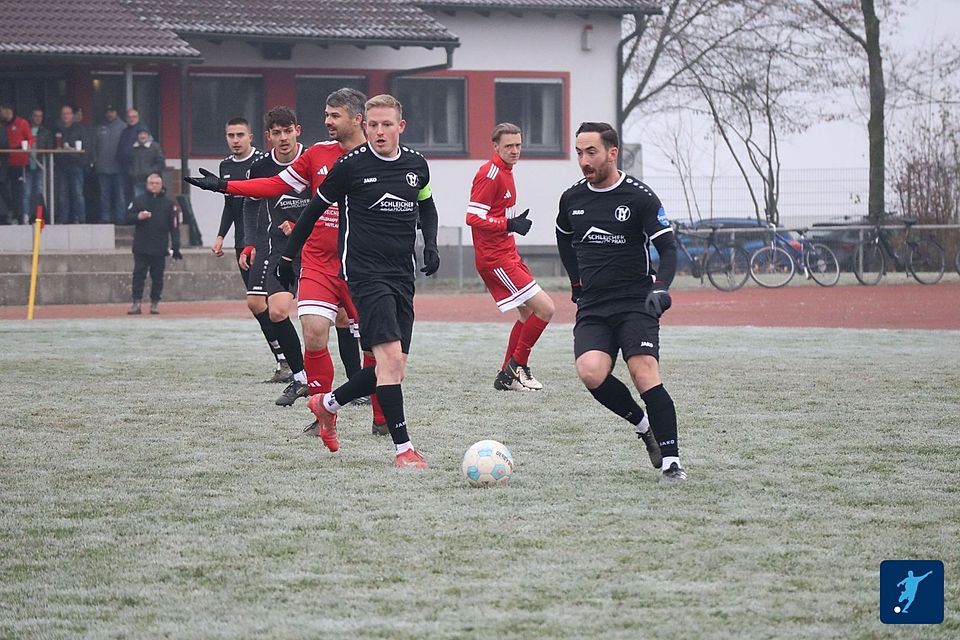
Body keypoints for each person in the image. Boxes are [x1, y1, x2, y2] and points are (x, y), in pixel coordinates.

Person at [186, 88, 386, 437]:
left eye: (334, 115)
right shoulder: (317, 155)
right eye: (326, 114)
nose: (327, 121)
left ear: (357, 119)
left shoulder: (380, 157)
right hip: (318, 262)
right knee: (313, 331)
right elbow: (276, 184)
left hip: (362, 265)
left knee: (372, 344)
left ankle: (381, 417)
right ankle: (324, 416)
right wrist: (225, 186)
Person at [281, 94, 439, 468]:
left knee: (392, 367)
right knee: (389, 360)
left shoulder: (416, 165)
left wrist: (431, 244)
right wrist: (288, 256)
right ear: (364, 126)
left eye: (387, 124)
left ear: (401, 126)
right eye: (373, 125)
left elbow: (427, 205)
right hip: (365, 275)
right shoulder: (350, 166)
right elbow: (313, 210)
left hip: (402, 275)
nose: (380, 131)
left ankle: (327, 404)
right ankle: (404, 450)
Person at [555, 122, 686, 482]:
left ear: (612, 153)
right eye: (579, 152)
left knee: (643, 372)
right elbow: (563, 237)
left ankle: (672, 462)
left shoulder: (640, 197)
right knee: (591, 372)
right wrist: (576, 281)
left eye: (591, 152)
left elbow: (668, 248)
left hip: (634, 303)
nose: (584, 160)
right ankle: (645, 427)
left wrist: (661, 287)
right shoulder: (571, 199)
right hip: (594, 305)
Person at [466, 122, 555, 392]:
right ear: (496, 147)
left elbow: (495, 213)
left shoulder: (506, 171)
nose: (515, 150)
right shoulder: (490, 173)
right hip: (495, 259)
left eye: (518, 145)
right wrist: (508, 224)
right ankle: (518, 367)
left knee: (527, 313)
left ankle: (506, 377)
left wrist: (511, 222)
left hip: (508, 253)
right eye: (509, 146)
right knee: (546, 309)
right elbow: (473, 217)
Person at [239, 106, 311, 407]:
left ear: (297, 131)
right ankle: (300, 377)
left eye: (288, 131)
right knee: (277, 311)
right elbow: (250, 204)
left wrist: (301, 225)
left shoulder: (313, 159)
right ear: (268, 136)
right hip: (282, 250)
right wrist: (249, 243)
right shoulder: (261, 167)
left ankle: (359, 385)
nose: (283, 138)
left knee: (342, 319)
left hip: (317, 246)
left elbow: (330, 203)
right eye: (277, 133)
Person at [207, 118, 288, 382]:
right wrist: (221, 235)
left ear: (251, 137)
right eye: (231, 135)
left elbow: (267, 200)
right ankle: (283, 360)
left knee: (262, 302)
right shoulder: (226, 166)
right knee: (258, 305)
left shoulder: (262, 162)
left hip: (265, 241)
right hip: (243, 241)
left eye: (240, 134)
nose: (235, 140)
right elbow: (231, 205)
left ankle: (290, 360)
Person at [126, 173, 182, 314]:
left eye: (157, 183)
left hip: (159, 247)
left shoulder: (169, 204)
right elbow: (126, 217)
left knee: (157, 277)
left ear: (161, 185)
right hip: (141, 246)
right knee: (138, 275)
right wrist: (138, 216)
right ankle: (136, 303)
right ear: (147, 185)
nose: (154, 186)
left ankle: (154, 303)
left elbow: (174, 227)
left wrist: (176, 246)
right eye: (151, 183)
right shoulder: (138, 200)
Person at [0, 102, 35, 225]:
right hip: (4, 161)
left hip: (18, 161)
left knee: (17, 189)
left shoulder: (21, 123)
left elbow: (30, 138)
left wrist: (26, 146)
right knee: (2, 184)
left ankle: (18, 216)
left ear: (8, 110)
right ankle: (12, 209)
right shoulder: (2, 124)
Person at [92, 105, 126, 223]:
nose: (109, 114)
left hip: (119, 168)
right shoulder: (98, 128)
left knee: (119, 195)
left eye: (112, 111)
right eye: (107, 111)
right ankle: (105, 218)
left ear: (116, 112)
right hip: (102, 168)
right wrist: (95, 161)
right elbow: (93, 146)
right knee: (104, 195)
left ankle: (120, 218)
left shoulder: (123, 127)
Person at [53, 104, 87, 224]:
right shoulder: (57, 129)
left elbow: (85, 147)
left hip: (76, 165)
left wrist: (73, 151)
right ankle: (63, 219)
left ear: (72, 115)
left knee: (78, 193)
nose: (65, 116)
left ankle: (81, 219)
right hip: (62, 165)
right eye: (63, 114)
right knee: (62, 194)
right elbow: (52, 146)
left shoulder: (80, 129)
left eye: (68, 113)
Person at [23, 108, 51, 223]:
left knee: (39, 192)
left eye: (40, 116)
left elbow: (49, 148)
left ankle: (39, 216)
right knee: (26, 192)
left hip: (40, 166)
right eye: (36, 115)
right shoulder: (25, 129)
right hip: (26, 165)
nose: (38, 118)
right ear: (31, 117)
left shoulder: (46, 132)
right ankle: (25, 217)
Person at [117, 108, 149, 204]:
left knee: (138, 197)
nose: (131, 119)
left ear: (138, 118)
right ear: (126, 118)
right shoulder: (125, 131)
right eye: (129, 117)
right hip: (125, 169)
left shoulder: (142, 130)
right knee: (125, 196)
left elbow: (148, 149)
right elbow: (121, 148)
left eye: (134, 117)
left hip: (138, 171)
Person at [128, 130, 165, 199]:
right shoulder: (133, 148)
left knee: (152, 200)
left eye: (144, 134)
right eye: (140, 134)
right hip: (137, 181)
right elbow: (129, 162)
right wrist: (132, 173)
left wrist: (150, 172)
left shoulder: (155, 147)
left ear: (148, 135)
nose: (142, 136)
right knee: (139, 200)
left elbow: (161, 163)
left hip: (152, 181)